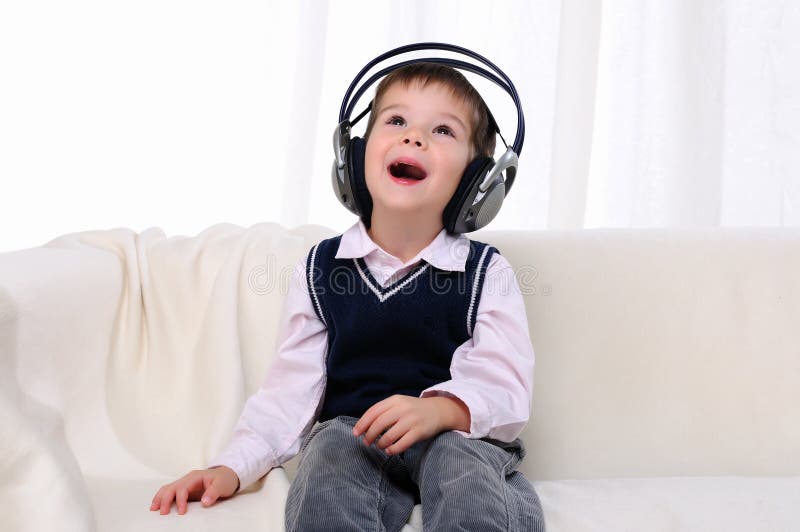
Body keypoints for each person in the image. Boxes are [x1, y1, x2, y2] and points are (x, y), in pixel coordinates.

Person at [150, 60, 546, 531]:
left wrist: (441, 410)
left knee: (463, 463)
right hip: (359, 438)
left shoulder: (486, 273)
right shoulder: (321, 270)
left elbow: (505, 386)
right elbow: (288, 396)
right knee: (330, 451)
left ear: (476, 180)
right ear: (353, 156)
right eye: (396, 120)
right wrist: (232, 467)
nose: (413, 137)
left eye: (442, 130)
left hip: (455, 436)